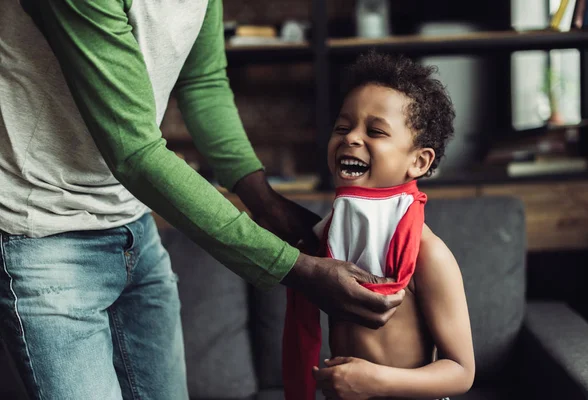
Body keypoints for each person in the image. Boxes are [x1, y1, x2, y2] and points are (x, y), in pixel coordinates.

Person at [0, 1, 406, 399]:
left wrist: (267, 204)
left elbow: (202, 81)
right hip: (43, 233)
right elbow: (136, 153)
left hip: (132, 223)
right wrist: (294, 269)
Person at [283, 52, 475, 400]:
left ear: (418, 161)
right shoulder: (327, 238)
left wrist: (374, 381)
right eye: (342, 127)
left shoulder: (427, 254)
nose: (351, 138)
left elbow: (461, 371)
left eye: (375, 131)